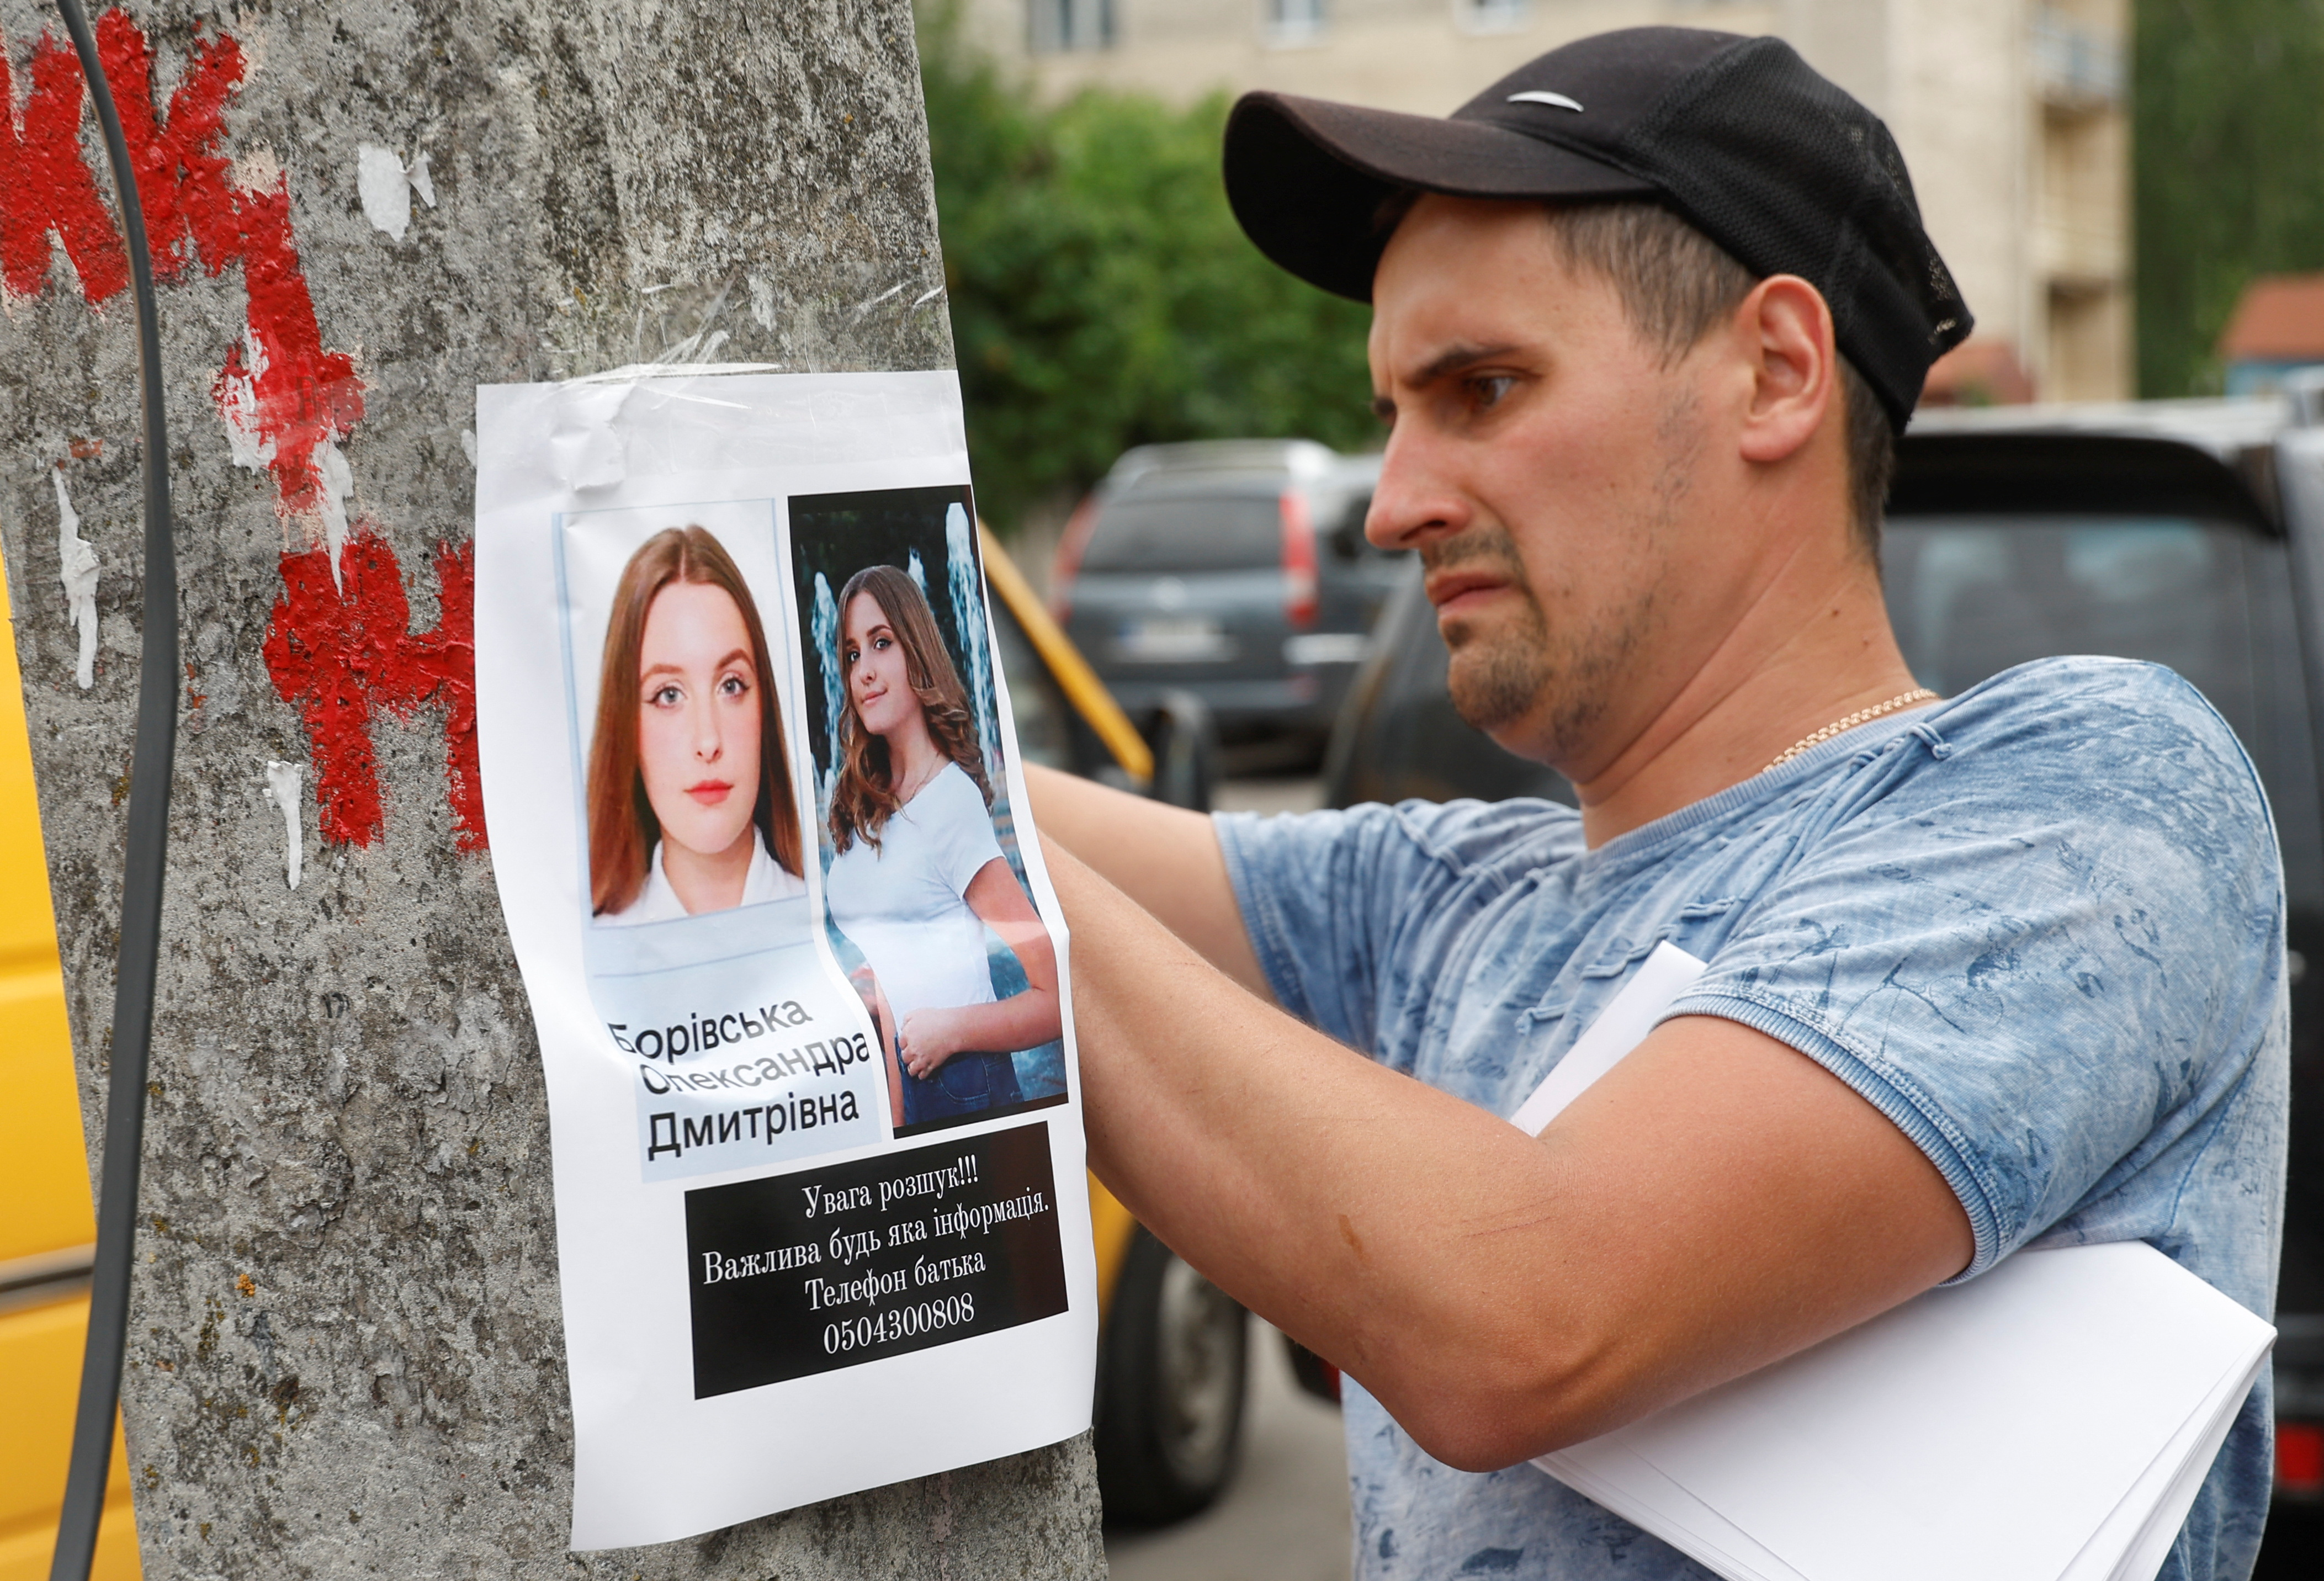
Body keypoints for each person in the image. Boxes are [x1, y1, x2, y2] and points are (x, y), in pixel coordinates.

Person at [1028, 27, 2286, 1581]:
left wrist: (958, 861)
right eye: (1390, 415)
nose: (1391, 501)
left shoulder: (2091, 790)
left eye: (1481, 388)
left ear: (1773, 372)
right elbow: (1013, 818)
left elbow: (1525, 1314)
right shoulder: (1452, 901)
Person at [824, 564, 1061, 1129]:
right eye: (853, 653)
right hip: (897, 1076)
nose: (864, 671)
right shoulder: (866, 802)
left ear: (917, 650)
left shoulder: (949, 801)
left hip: (962, 1081)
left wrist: (953, 1029)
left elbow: (1053, 994)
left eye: (882, 643)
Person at [588, 526, 805, 923]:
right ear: (626, 727)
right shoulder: (585, 954)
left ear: (765, 711)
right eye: (669, 695)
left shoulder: (841, 925)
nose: (708, 741)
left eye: (731, 686)